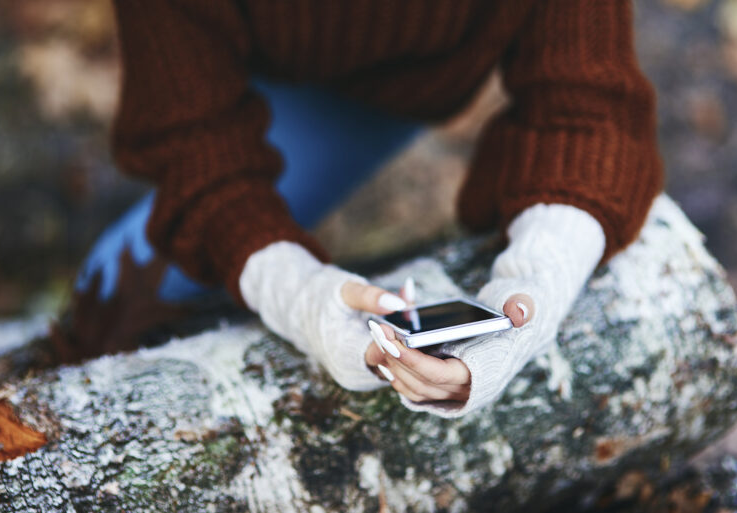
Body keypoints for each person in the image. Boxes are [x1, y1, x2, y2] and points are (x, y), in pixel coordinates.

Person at [67, 0, 662, 417]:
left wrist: (536, 286)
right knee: (115, 283)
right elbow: (195, 147)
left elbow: (587, 113)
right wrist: (300, 296)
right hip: (222, 54)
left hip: (389, 88)